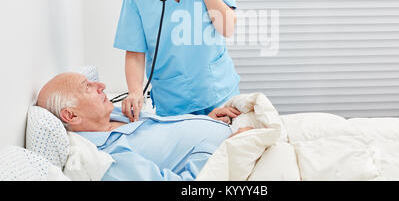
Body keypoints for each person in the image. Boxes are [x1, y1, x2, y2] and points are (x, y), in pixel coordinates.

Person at [37, 72, 251, 181]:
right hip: (238, 158)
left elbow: (167, 135)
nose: (101, 86)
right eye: (88, 87)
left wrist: (206, 121)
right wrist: (227, 150)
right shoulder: (109, 159)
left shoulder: (116, 115)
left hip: (233, 130)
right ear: (71, 115)